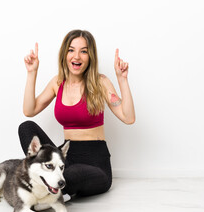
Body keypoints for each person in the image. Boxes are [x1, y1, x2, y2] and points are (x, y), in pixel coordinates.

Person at [18, 29, 135, 200]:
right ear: (65, 54)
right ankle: (53, 188)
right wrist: (31, 73)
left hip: (96, 164)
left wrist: (122, 79)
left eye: (84, 51)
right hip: (65, 158)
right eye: (71, 50)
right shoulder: (57, 83)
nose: (77, 56)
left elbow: (128, 117)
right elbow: (30, 110)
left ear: (90, 56)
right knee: (26, 128)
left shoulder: (100, 82)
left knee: (72, 174)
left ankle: (50, 190)